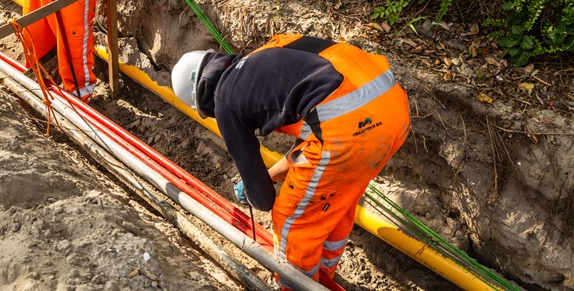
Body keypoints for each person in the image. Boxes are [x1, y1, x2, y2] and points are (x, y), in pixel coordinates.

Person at [171, 34, 410, 289]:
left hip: (349, 132)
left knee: (292, 222)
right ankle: (322, 278)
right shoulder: (267, 54)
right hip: (392, 111)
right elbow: (316, 130)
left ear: (202, 100)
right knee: (333, 202)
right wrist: (271, 174)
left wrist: (252, 191)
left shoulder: (224, 100)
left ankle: (295, 285)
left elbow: (263, 199)